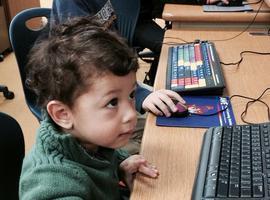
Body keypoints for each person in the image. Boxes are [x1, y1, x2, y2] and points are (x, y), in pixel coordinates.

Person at [19, 17, 185, 199]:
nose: (131, 114)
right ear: (63, 114)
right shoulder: (54, 186)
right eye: (112, 102)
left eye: (131, 95)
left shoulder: (88, 137)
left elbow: (98, 158)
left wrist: (120, 165)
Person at [50, 0, 186, 155]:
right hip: (88, 98)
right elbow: (84, 70)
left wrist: (136, 93)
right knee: (157, 150)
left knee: (171, 129)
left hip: (111, 90)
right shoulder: (71, 4)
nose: (131, 115)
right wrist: (140, 96)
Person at [50, 0, 165, 86]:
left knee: (169, 50)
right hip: (81, 86)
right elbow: (85, 64)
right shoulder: (70, 3)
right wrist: (139, 94)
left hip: (109, 74)